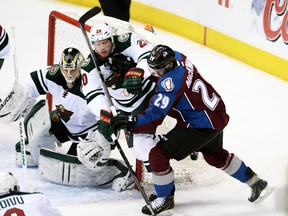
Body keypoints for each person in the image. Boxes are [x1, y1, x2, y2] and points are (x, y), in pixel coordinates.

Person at [109, 45, 274, 215]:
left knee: (158, 155)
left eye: (158, 70)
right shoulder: (180, 58)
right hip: (214, 114)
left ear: (169, 65)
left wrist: (130, 121)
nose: (155, 73)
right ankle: (257, 183)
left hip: (199, 124)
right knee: (215, 156)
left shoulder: (170, 82)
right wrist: (138, 70)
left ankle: (165, 200)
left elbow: (155, 115)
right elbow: (160, 75)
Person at [1, 47, 134, 191]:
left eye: (73, 71)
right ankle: (35, 150)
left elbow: (107, 116)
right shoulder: (54, 74)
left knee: (77, 168)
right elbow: (31, 84)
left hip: (88, 135)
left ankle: (119, 171)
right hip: (64, 122)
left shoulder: (90, 85)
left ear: (81, 68)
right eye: (66, 70)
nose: (69, 75)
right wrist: (18, 101)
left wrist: (102, 142)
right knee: (38, 128)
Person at [80, 23, 158, 172]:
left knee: (142, 145)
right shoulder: (90, 66)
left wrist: (138, 71)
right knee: (111, 143)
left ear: (111, 40)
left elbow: (148, 53)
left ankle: (165, 164)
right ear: (93, 44)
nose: (102, 47)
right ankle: (100, 171)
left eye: (105, 43)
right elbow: (92, 94)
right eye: (98, 44)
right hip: (121, 107)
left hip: (148, 96)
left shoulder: (126, 41)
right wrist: (104, 113)